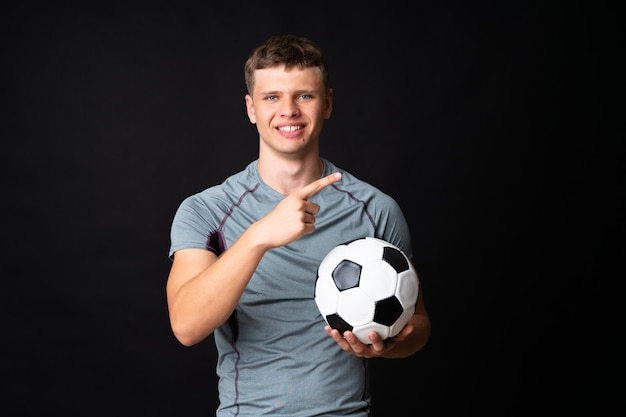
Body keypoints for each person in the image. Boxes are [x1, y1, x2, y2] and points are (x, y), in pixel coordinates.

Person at [166, 34, 431, 416]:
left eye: (304, 95)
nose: (288, 110)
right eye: (272, 97)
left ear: (328, 104)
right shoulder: (206, 210)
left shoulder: (376, 208)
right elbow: (187, 326)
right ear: (251, 108)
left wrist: (387, 343)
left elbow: (418, 324)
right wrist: (259, 236)